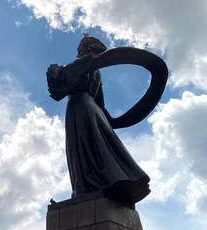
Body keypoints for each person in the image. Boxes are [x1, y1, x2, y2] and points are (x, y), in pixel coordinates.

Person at [47, 34, 150, 204]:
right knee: (93, 146)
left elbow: (59, 83)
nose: (77, 52)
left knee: (80, 147)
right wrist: (110, 120)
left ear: (86, 49)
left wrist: (54, 71)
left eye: (79, 48)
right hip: (94, 111)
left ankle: (83, 187)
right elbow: (101, 104)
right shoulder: (96, 72)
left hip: (79, 106)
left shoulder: (82, 63)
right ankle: (94, 185)